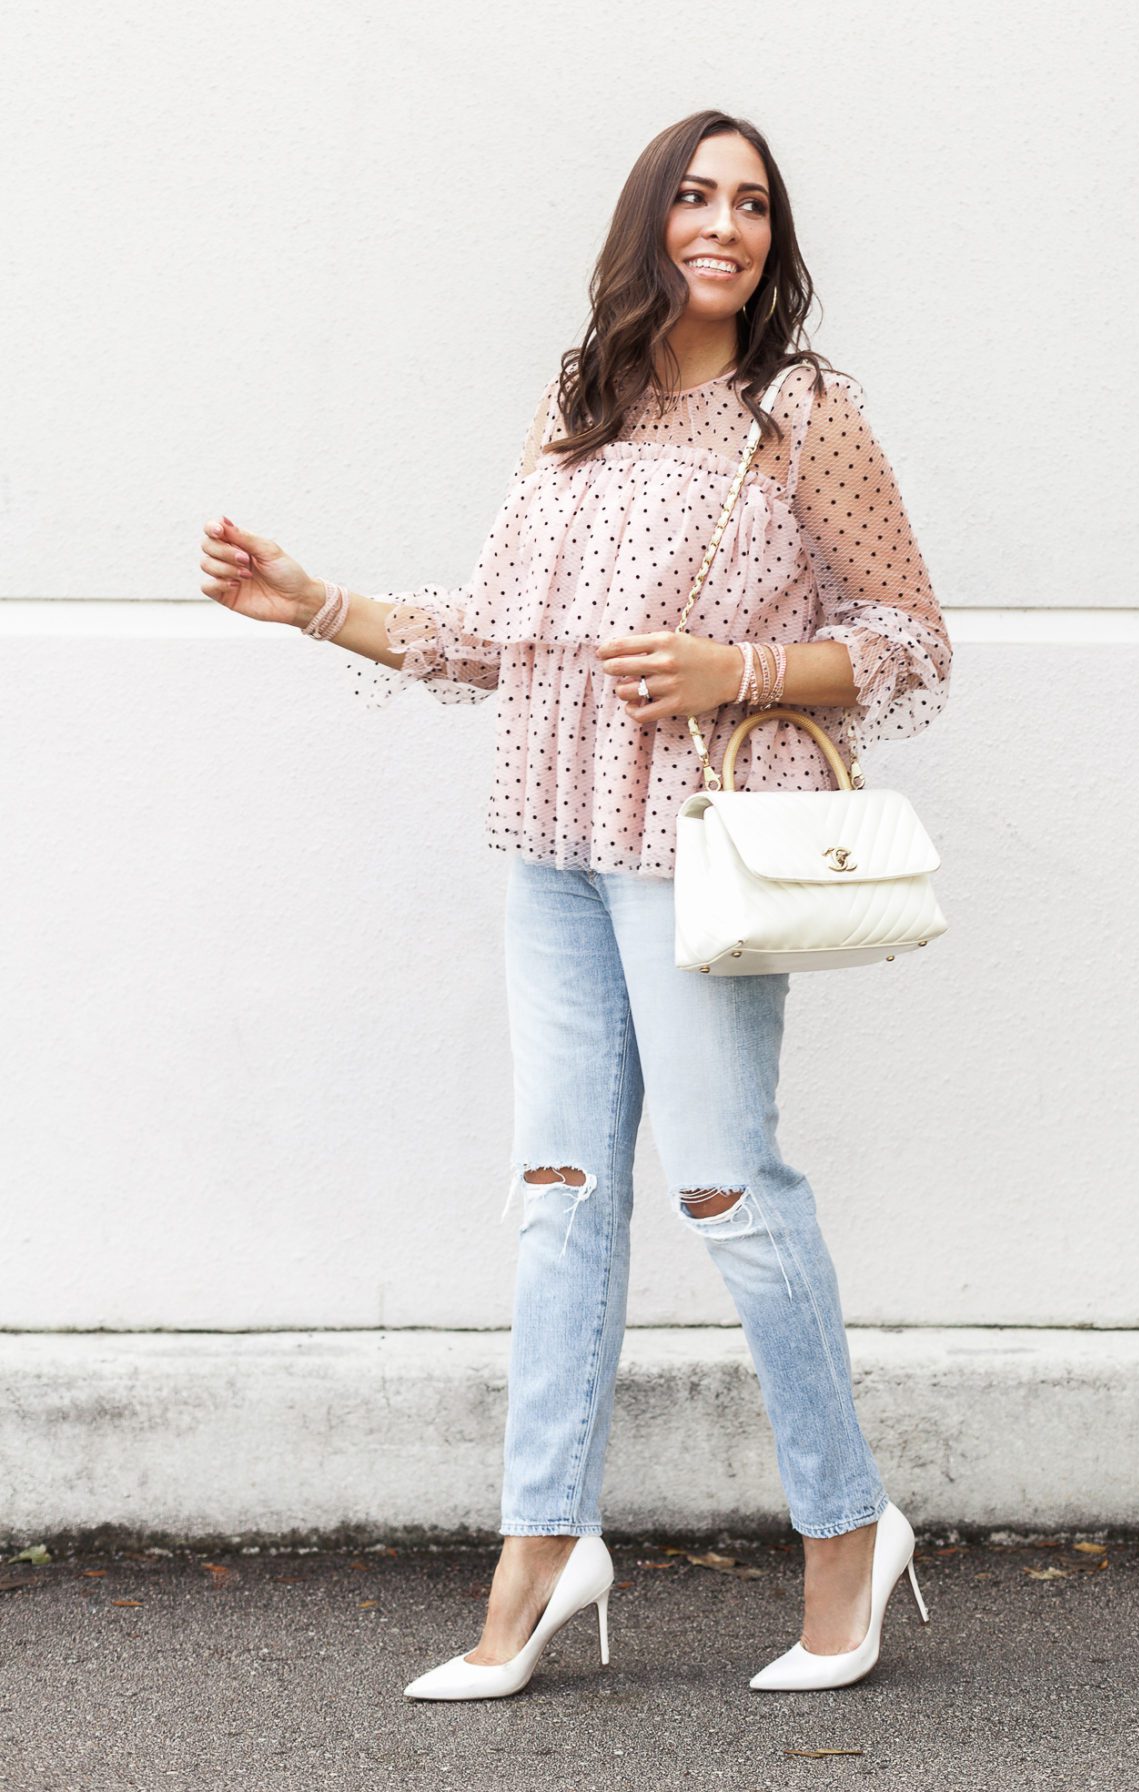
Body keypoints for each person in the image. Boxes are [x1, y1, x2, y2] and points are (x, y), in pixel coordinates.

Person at [197, 109, 952, 1697]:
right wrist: (312, 603)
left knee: (730, 1196)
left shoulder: (799, 415)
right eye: (694, 194)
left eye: (751, 204)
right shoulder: (580, 401)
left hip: (691, 856)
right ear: (648, 219)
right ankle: (541, 1551)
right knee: (557, 1205)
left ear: (772, 240)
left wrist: (734, 669)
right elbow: (490, 640)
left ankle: (844, 1528)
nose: (723, 224)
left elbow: (908, 642)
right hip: (546, 843)